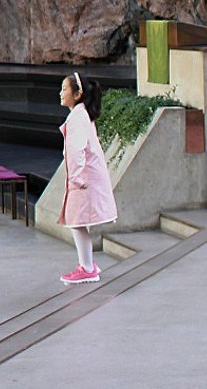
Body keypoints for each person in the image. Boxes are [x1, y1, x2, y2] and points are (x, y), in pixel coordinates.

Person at [57, 72, 117, 285]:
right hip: (84, 177)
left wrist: (76, 178)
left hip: (83, 179)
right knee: (77, 221)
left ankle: (88, 268)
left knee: (77, 221)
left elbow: (77, 151)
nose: (61, 93)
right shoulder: (80, 115)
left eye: (65, 89)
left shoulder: (78, 118)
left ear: (78, 93)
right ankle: (88, 264)